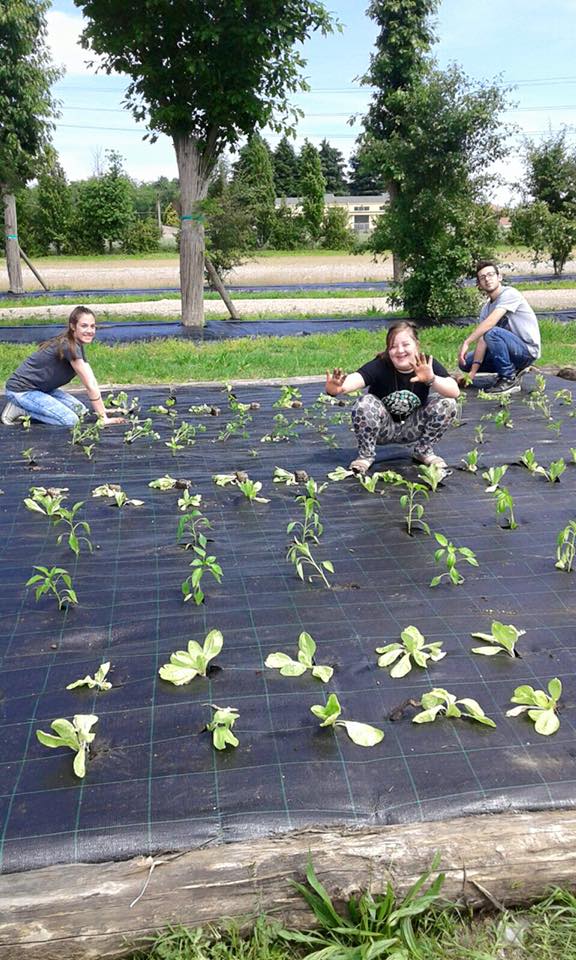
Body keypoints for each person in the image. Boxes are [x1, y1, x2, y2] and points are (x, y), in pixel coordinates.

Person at [325, 321, 460, 473]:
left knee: (447, 403)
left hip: (413, 427)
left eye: (405, 344)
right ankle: (366, 455)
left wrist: (431, 378)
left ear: (416, 344)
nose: (399, 350)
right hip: (383, 429)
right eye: (393, 346)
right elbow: (354, 379)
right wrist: (336, 388)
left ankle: (423, 451)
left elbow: (454, 392)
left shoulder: (427, 364)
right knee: (364, 403)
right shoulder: (381, 365)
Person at [1, 306, 125, 428]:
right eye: (84, 326)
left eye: (92, 326)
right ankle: (22, 410)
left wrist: (102, 410)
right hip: (22, 391)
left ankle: (29, 407)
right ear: (72, 326)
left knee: (81, 411)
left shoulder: (75, 345)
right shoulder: (67, 346)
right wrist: (103, 419)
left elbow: (91, 379)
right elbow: (89, 385)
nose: (90, 330)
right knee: (70, 420)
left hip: (42, 389)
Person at [458, 261, 541, 396]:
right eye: (482, 277)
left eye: (490, 275)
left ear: (499, 277)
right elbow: (482, 341)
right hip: (508, 348)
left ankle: (508, 379)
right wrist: (471, 375)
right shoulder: (486, 309)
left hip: (526, 351)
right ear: (479, 284)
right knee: (465, 363)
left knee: (492, 332)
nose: (487, 279)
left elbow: (490, 324)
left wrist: (467, 342)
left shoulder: (510, 294)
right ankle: (512, 368)